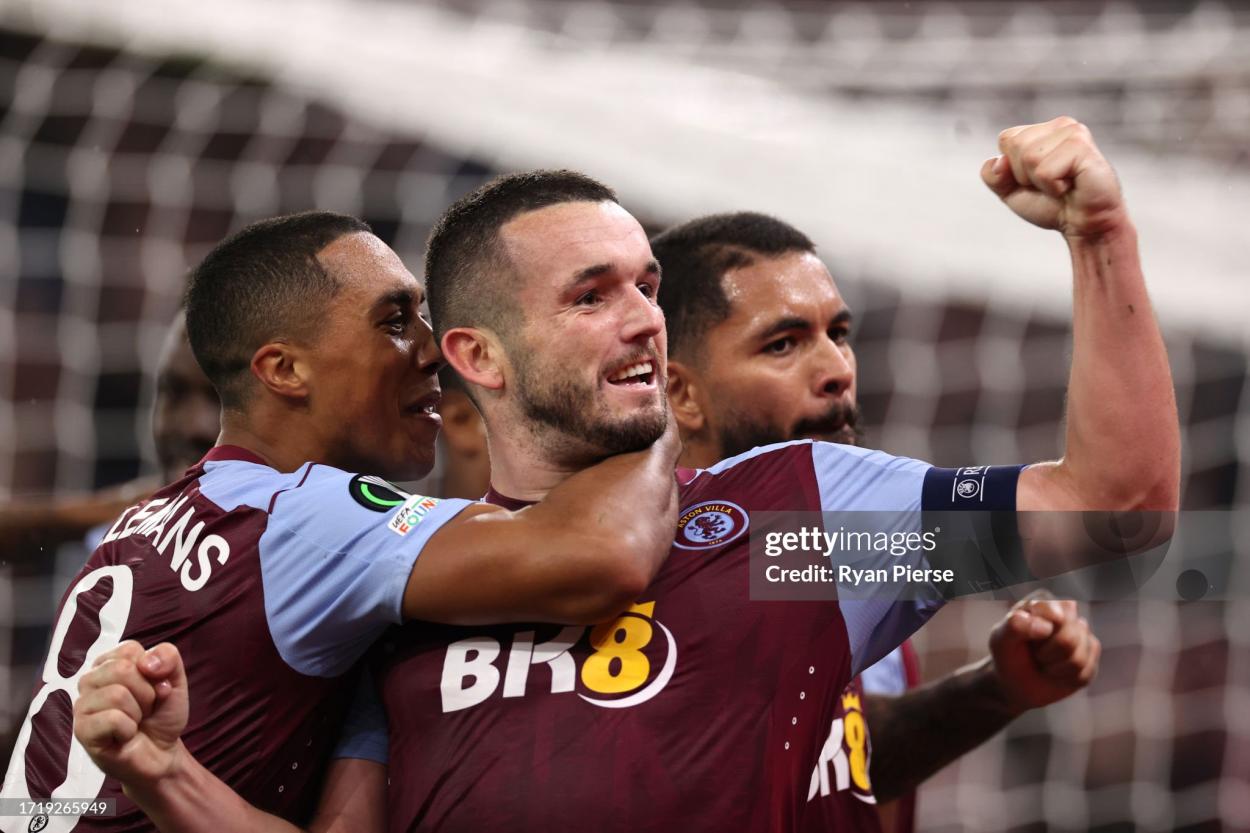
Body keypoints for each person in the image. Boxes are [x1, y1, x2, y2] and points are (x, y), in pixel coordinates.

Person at [75, 118, 1177, 832]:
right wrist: (161, 766)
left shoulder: (790, 523)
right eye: (590, 293)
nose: (644, 315)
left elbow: (1113, 508)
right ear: (475, 357)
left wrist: (1098, 234)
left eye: (646, 283)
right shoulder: (412, 589)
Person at [0, 211, 682, 832]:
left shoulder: (144, 521)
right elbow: (600, 556)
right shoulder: (311, 516)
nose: (429, 347)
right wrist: (644, 397)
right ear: (286, 368)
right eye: (393, 322)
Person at [652, 211, 1103, 832]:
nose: (837, 368)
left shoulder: (826, 553)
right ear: (680, 394)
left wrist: (997, 689)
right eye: (782, 344)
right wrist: (1101, 236)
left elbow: (843, 761)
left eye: (838, 333)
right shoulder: (602, 570)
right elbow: (1114, 500)